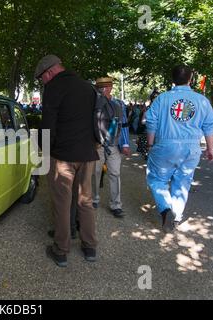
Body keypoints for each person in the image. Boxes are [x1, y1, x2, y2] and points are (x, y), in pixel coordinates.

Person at [35, 54, 99, 266]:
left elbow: (48, 125)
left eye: (41, 78)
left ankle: (61, 250)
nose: (42, 82)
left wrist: (44, 151)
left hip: (63, 156)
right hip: (88, 154)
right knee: (85, 201)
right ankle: (89, 248)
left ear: (50, 72)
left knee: (62, 203)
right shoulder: (87, 87)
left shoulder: (53, 88)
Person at [146, 65, 213, 232]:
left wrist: (150, 144)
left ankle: (165, 208)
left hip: (165, 146)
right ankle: (176, 216)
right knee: (183, 182)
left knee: (157, 179)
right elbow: (209, 126)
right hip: (191, 148)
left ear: (172, 79)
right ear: (190, 79)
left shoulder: (162, 99)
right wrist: (210, 149)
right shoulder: (202, 101)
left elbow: (151, 122)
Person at [92, 77, 131, 218]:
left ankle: (116, 205)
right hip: (97, 145)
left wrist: (125, 144)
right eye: (100, 87)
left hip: (114, 145)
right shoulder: (93, 103)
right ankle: (94, 199)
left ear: (110, 88)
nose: (102, 90)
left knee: (115, 173)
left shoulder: (118, 104)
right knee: (95, 173)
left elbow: (124, 125)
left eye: (105, 87)